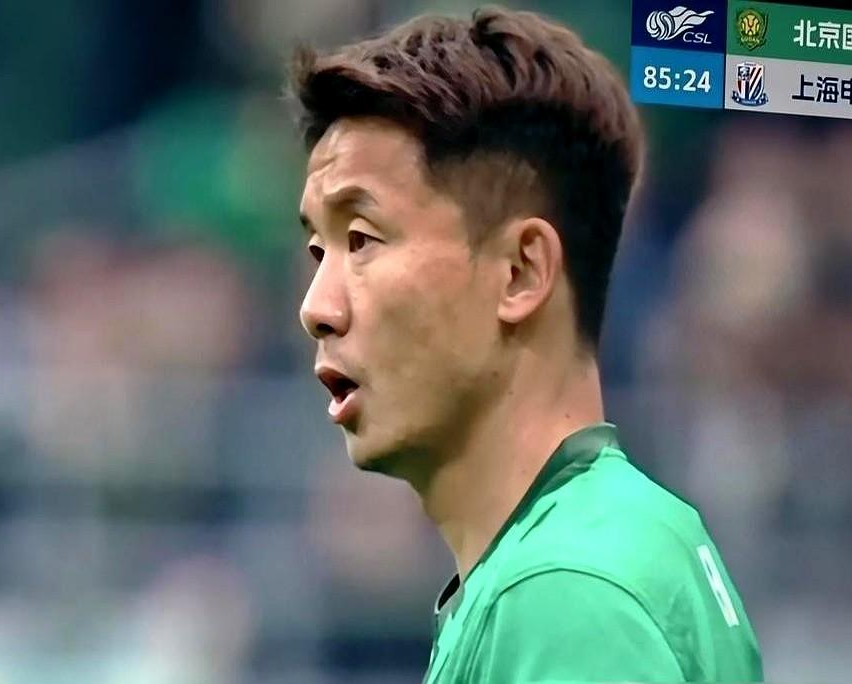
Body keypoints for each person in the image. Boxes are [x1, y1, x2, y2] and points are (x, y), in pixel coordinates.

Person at [287, 6, 762, 682]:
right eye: (318, 250)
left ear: (520, 272)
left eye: (361, 240)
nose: (316, 308)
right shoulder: (635, 532)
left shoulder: (564, 591)